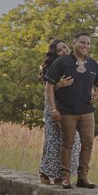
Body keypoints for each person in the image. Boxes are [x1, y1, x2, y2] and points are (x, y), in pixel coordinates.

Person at [43, 31, 98, 188]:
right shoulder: (62, 62)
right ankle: (65, 178)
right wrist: (53, 108)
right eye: (82, 42)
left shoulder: (93, 64)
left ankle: (82, 178)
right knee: (68, 144)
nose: (85, 46)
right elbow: (49, 86)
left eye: (88, 44)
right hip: (67, 111)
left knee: (88, 143)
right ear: (74, 43)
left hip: (86, 111)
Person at [37, 40, 76, 184]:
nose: (64, 51)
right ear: (54, 54)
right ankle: (44, 172)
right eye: (60, 50)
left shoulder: (74, 64)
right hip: (53, 107)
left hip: (70, 107)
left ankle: (62, 174)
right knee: (53, 141)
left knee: (70, 141)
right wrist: (59, 85)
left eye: (65, 47)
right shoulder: (53, 67)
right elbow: (48, 90)